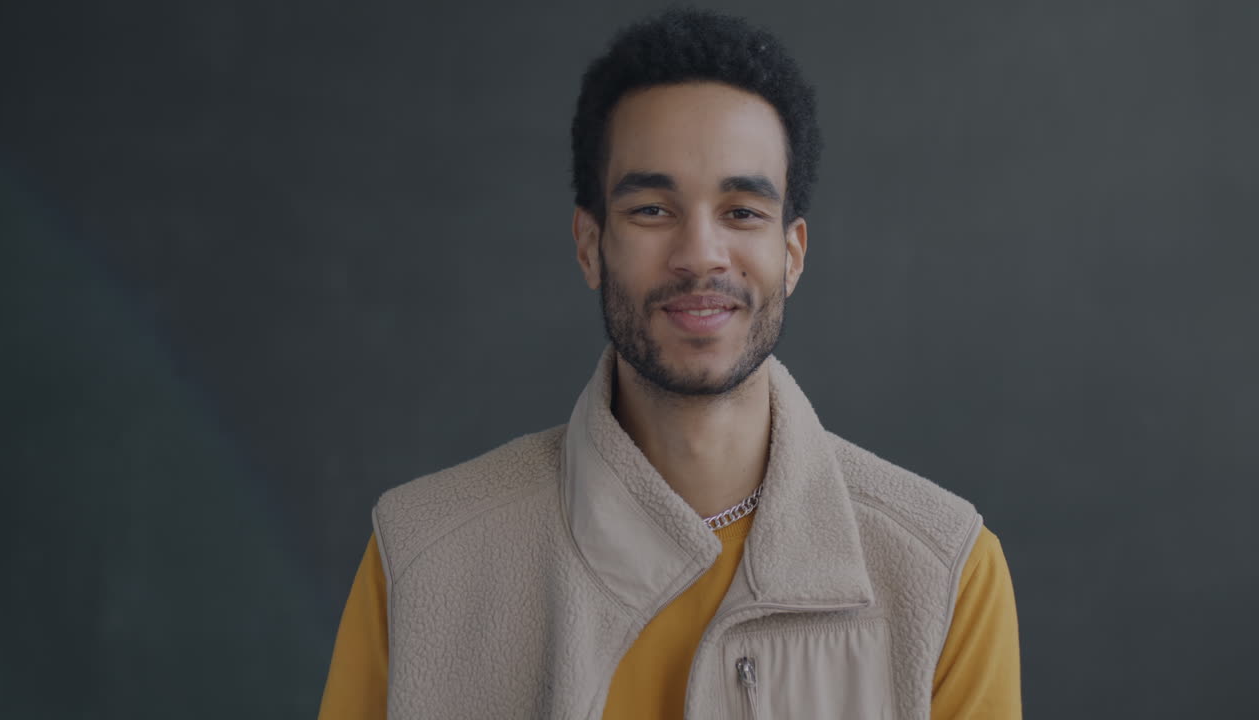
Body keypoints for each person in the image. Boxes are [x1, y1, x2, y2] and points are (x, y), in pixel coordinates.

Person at [318, 8, 1020, 719]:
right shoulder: (421, 558)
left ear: (792, 254)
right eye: (652, 210)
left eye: (742, 211)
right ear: (589, 245)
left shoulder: (944, 574)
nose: (700, 255)